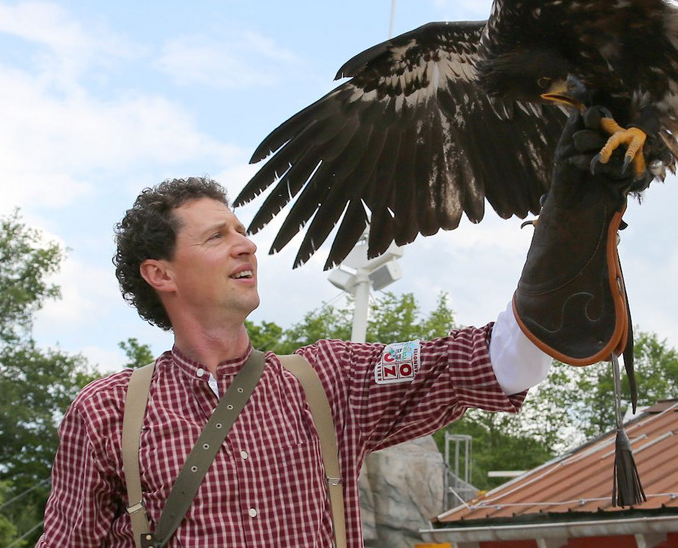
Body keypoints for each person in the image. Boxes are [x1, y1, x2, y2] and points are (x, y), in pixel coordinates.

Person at [37, 117, 634, 548]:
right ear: (160, 273)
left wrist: (567, 234)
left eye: (243, 230)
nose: (246, 243)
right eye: (216, 236)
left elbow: (486, 362)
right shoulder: (108, 412)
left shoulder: (329, 381)